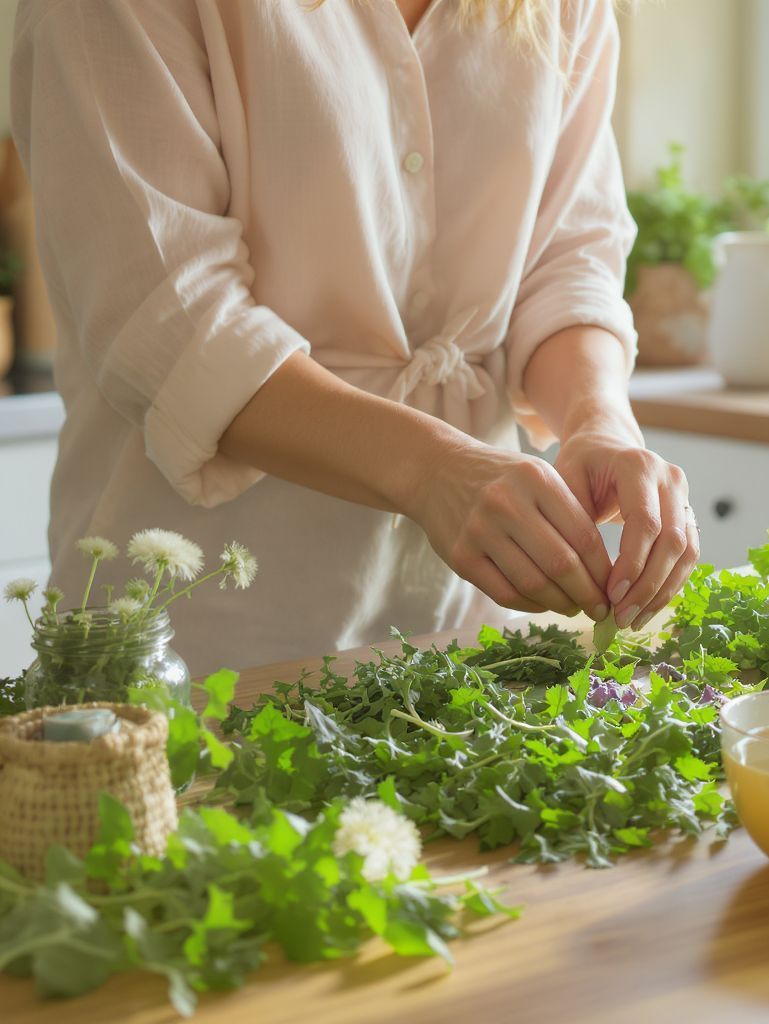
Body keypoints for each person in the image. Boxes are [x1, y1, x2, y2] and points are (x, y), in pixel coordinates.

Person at [11, 0, 698, 674]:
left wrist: (597, 419)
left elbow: (568, 256)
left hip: (465, 630)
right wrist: (433, 470)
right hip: (199, 642)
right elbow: (173, 317)